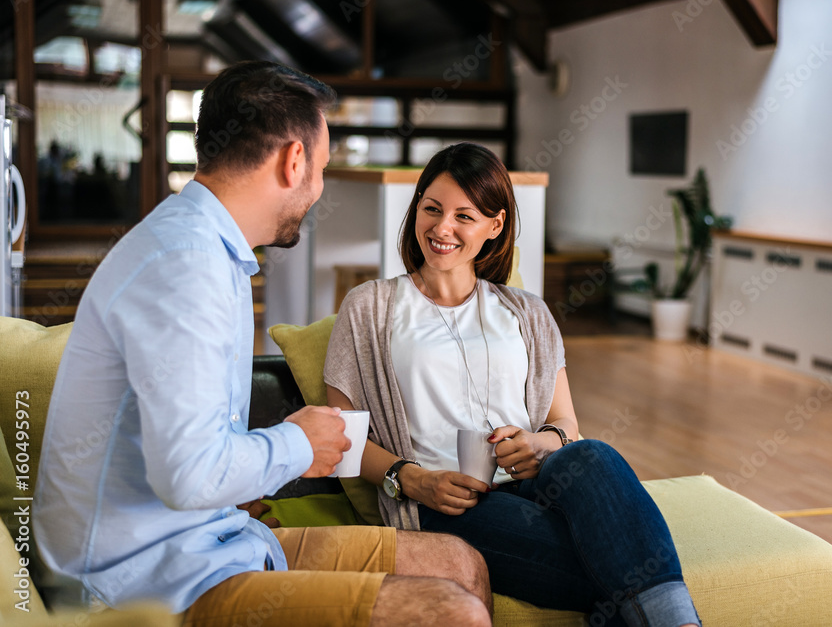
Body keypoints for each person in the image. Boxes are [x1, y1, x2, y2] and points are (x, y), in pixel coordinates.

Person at [34, 61, 491, 627]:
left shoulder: (203, 247)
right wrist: (299, 444)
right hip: (141, 583)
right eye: (321, 168)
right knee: (452, 612)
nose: (318, 189)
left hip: (208, 541)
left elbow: (190, 445)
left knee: (459, 563)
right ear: (293, 161)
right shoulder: (186, 268)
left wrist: (243, 487)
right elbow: (188, 475)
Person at [324, 142, 702, 627]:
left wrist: (540, 442)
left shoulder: (527, 311)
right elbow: (343, 439)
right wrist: (413, 479)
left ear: (495, 226)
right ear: (415, 209)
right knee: (624, 560)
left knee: (595, 455)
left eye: (465, 216)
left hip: (540, 483)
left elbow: (566, 425)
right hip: (446, 503)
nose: (442, 229)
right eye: (432, 209)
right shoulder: (370, 307)